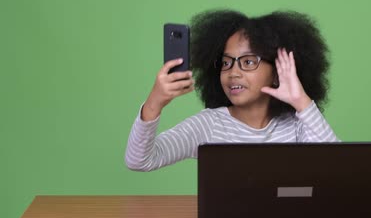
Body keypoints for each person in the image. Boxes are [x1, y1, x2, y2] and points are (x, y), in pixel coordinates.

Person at [125, 9, 339, 171]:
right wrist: (154, 102)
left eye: (247, 62)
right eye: (226, 63)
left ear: (277, 72)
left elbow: (339, 167)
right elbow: (139, 160)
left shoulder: (297, 126)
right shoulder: (208, 126)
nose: (233, 72)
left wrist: (301, 101)